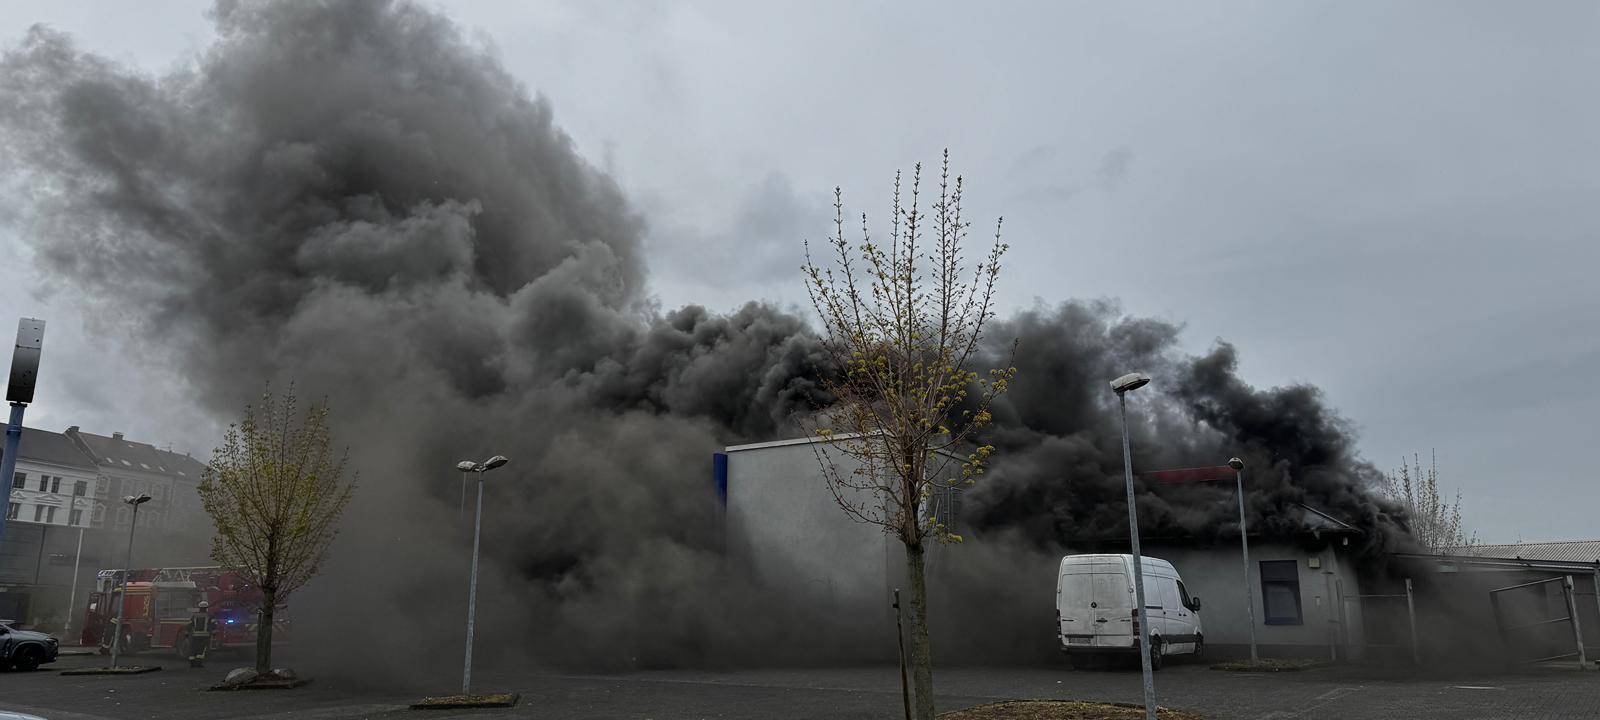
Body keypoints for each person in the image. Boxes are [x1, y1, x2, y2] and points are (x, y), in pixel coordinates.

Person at [187, 601, 212, 668]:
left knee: (193, 649)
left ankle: (192, 664)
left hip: (195, 635)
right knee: (201, 650)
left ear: (199, 608)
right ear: (206, 608)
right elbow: (212, 625)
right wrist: (213, 632)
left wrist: (187, 633)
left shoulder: (195, 615)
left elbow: (189, 625)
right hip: (204, 636)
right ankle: (198, 664)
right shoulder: (209, 615)